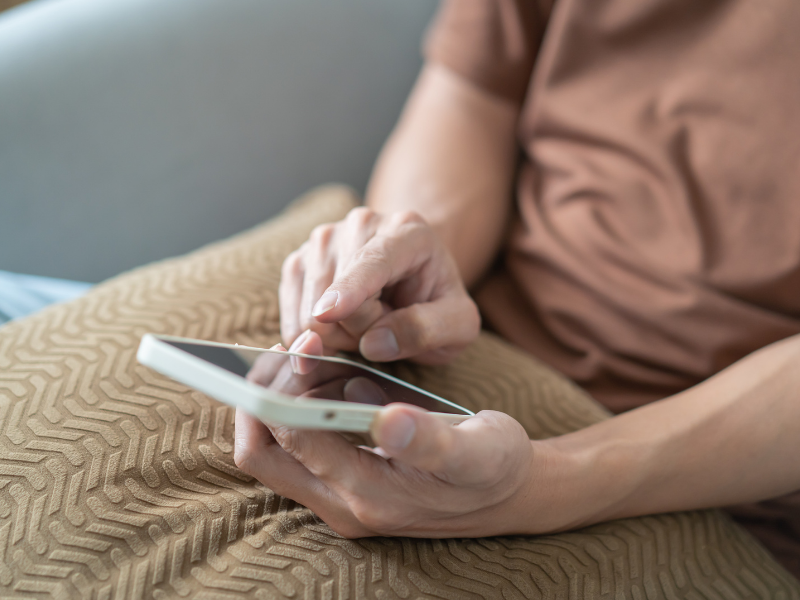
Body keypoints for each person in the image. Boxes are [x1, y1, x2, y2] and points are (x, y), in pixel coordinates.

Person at [233, 0, 800, 576]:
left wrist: (550, 484)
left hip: (705, 480)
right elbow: (473, 100)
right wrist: (410, 262)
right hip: (464, 360)